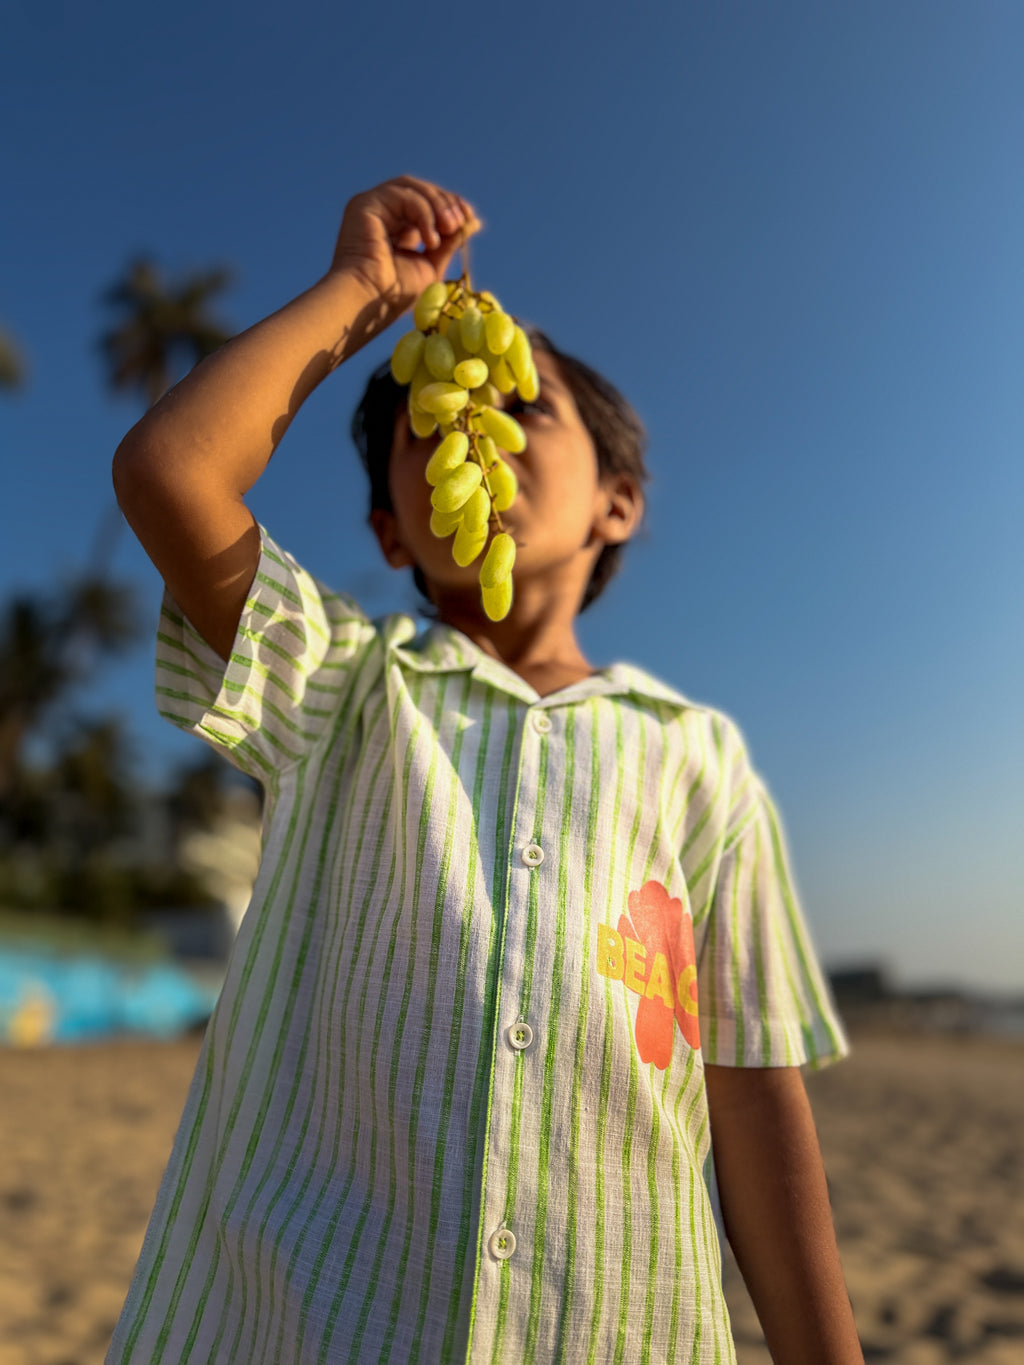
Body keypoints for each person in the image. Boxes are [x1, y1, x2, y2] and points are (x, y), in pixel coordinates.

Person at [105, 175, 864, 1364]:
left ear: (617, 504)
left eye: (522, 407)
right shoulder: (338, 683)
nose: (471, 428)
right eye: (426, 422)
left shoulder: (697, 757)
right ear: (389, 533)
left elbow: (753, 1086)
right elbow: (170, 473)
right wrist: (361, 293)